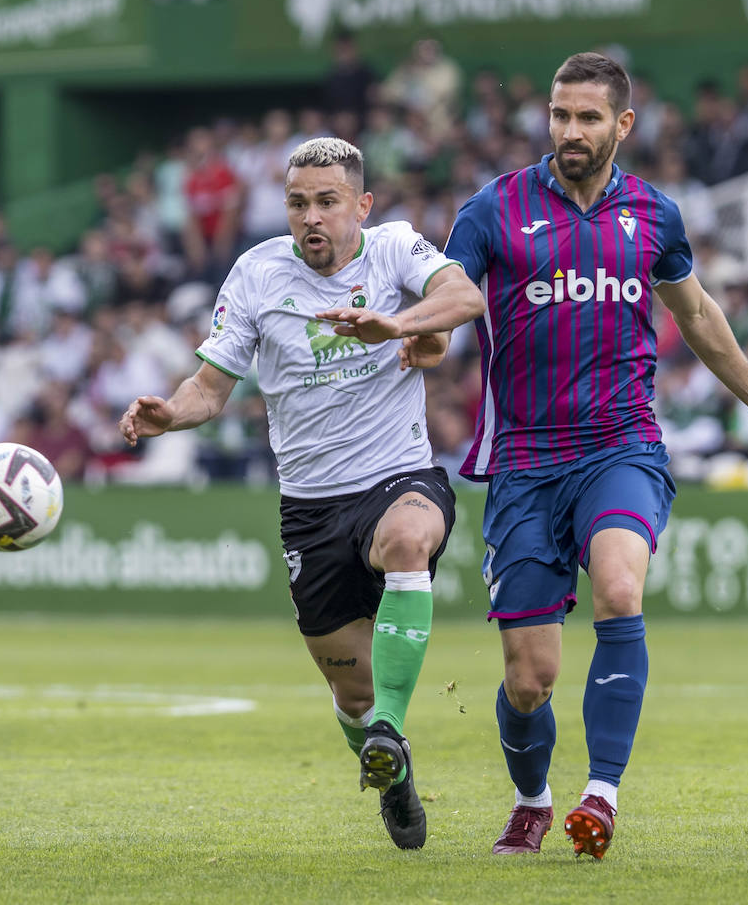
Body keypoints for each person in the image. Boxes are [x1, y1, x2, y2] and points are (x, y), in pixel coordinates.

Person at [320, 52, 748, 860]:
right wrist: (425, 340)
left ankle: (602, 795)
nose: (571, 131)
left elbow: (694, 313)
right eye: (561, 116)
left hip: (620, 447)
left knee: (621, 587)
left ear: (623, 125)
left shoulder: (655, 216)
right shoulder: (493, 210)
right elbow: (452, 304)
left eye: (589, 118)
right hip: (523, 464)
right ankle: (533, 800)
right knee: (530, 680)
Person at [119, 137, 484, 850]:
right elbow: (209, 387)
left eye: (327, 201)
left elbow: (463, 296)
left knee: (409, 540)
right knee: (349, 695)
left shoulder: (395, 249)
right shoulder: (255, 273)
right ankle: (391, 770)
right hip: (311, 510)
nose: (311, 216)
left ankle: (392, 728)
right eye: (297, 203)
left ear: (361, 206)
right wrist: (170, 413)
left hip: (396, 476)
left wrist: (400, 324)